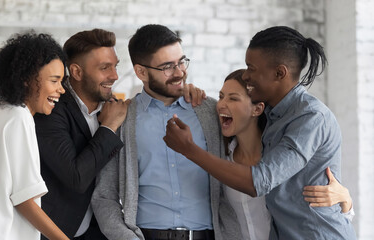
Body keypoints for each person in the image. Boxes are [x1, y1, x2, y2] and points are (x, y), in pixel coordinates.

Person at [163, 26, 357, 239]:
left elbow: (260, 181)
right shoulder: (273, 115)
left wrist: (188, 149)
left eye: (251, 68)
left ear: (279, 73)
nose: (246, 76)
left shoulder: (310, 117)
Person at [91, 24, 242, 240]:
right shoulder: (122, 119)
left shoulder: (211, 111)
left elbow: (252, 154)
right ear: (141, 72)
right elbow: (105, 195)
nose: (180, 72)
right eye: (168, 67)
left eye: (182, 61)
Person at [217, 69, 354, 240]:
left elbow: (314, 212)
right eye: (221, 96)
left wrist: (346, 202)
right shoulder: (220, 158)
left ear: (257, 109)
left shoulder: (282, 156)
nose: (221, 104)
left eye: (233, 98)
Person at [0, 32, 69, 240]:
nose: (61, 89)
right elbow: (24, 200)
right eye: (54, 80)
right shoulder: (19, 118)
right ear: (26, 79)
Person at [33, 29, 130, 240]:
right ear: (76, 72)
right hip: (54, 234)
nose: (114, 76)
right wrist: (108, 127)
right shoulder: (51, 110)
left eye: (115, 66)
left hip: (96, 233)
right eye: (105, 68)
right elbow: (76, 178)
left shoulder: (112, 106)